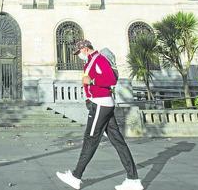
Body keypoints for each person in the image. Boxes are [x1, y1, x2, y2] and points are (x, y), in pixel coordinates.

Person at [56, 39, 143, 190]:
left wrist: (92, 80)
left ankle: (76, 177)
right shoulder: (91, 61)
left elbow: (111, 79)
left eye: (78, 52)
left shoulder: (99, 59)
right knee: (117, 141)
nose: (78, 55)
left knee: (91, 138)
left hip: (101, 104)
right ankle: (133, 180)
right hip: (101, 103)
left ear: (84, 49)